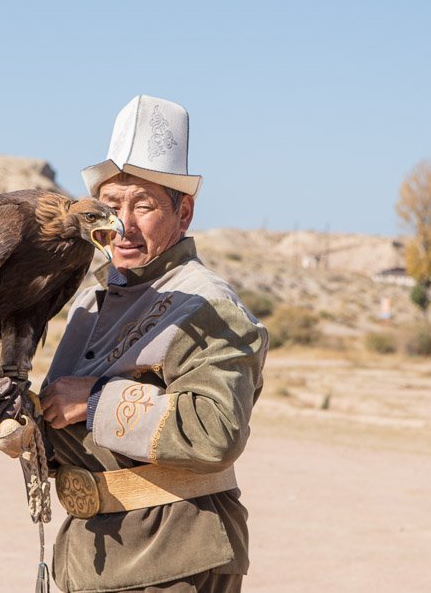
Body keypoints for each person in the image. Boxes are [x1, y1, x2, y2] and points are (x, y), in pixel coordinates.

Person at [37, 95, 269, 592]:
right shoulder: (90, 303)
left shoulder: (205, 304)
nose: (123, 224)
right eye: (112, 205)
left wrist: (95, 400)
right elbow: (72, 426)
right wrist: (19, 421)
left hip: (175, 554)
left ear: (183, 213)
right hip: (95, 556)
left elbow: (216, 433)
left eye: (143, 204)